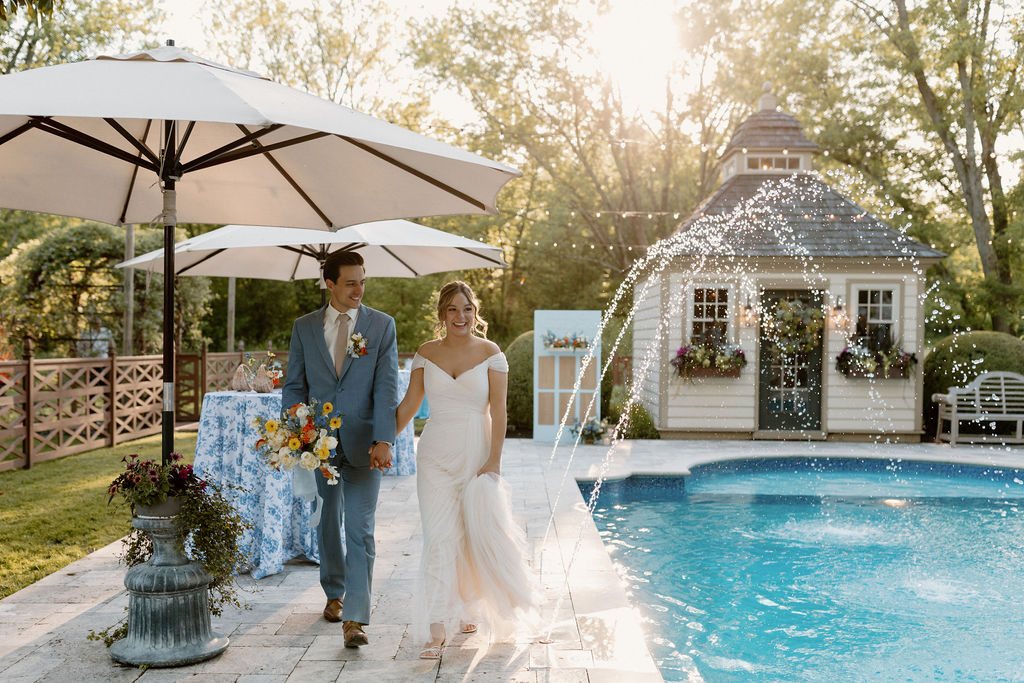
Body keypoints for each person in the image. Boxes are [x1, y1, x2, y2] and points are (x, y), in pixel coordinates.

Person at [395, 281, 536, 659]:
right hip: (435, 458)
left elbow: (501, 412)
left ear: (476, 313)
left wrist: (494, 462)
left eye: (467, 309)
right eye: (453, 310)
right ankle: (437, 626)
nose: (461, 316)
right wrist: (381, 439)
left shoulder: (492, 354)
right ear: (442, 314)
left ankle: (468, 605)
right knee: (440, 537)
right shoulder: (425, 354)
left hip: (476, 454)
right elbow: (410, 404)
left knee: (473, 534)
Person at [281, 250, 398, 649]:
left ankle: (355, 619)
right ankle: (334, 593)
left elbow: (386, 387)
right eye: (350, 282)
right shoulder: (304, 327)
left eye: (363, 281)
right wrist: (298, 431)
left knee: (361, 529)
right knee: (328, 519)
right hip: (320, 444)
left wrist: (385, 438)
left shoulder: (381, 327)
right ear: (328, 284)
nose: (359, 290)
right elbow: (295, 385)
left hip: (366, 444)